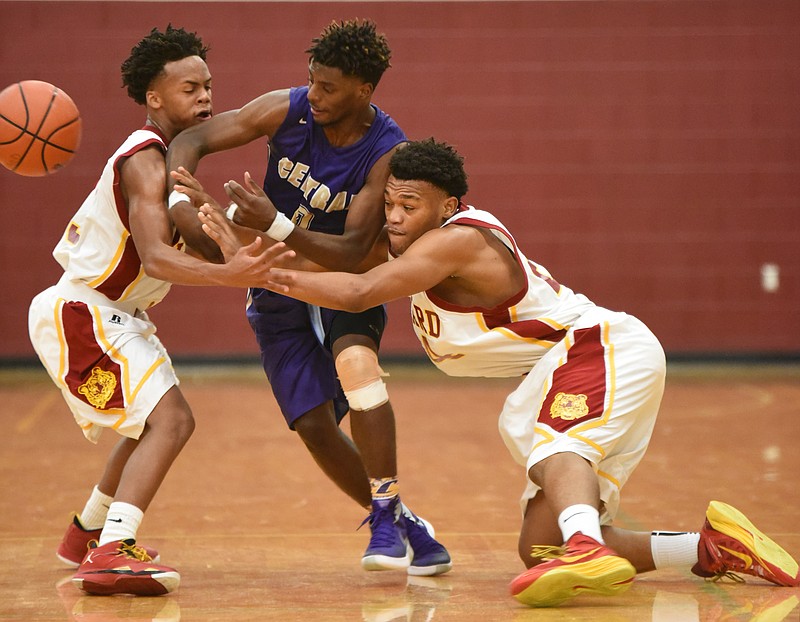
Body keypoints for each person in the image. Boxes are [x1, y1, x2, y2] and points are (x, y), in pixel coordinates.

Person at [200, 138, 800, 607]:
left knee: (556, 453)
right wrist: (246, 246)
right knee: (537, 548)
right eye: (389, 204)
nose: (397, 217)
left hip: (601, 345)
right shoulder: (411, 243)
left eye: (410, 205)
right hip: (569, 363)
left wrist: (257, 274)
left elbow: (356, 291)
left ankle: (588, 547)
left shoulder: (457, 241)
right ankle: (711, 548)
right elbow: (329, 259)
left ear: (449, 208)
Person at [165, 19, 450, 575]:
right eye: (312, 81)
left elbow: (349, 252)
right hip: (277, 284)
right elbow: (190, 139)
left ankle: (387, 508)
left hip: (342, 285)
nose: (314, 95)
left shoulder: (387, 150)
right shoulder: (286, 109)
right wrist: (178, 195)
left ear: (364, 90)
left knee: (358, 366)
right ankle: (400, 519)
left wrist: (271, 223)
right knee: (314, 426)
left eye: (328, 87)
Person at [28, 25, 275, 596]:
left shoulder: (171, 163)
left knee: (152, 424)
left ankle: (85, 533)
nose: (207, 98)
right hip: (84, 313)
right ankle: (113, 550)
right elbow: (159, 259)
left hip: (115, 314)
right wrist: (226, 273)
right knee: (173, 421)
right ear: (154, 98)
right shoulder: (144, 159)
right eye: (191, 88)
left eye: (209, 86)